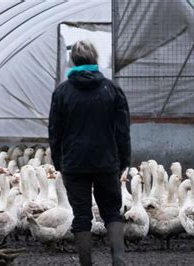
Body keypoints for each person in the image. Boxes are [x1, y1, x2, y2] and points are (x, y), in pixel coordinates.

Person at [48, 40, 131, 266]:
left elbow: (55, 132)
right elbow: (122, 130)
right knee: (112, 211)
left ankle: (86, 263)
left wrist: (59, 162)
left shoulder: (62, 92)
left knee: (81, 215)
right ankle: (118, 260)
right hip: (106, 161)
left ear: (73, 60)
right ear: (95, 59)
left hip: (74, 164)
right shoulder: (112, 90)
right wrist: (123, 160)